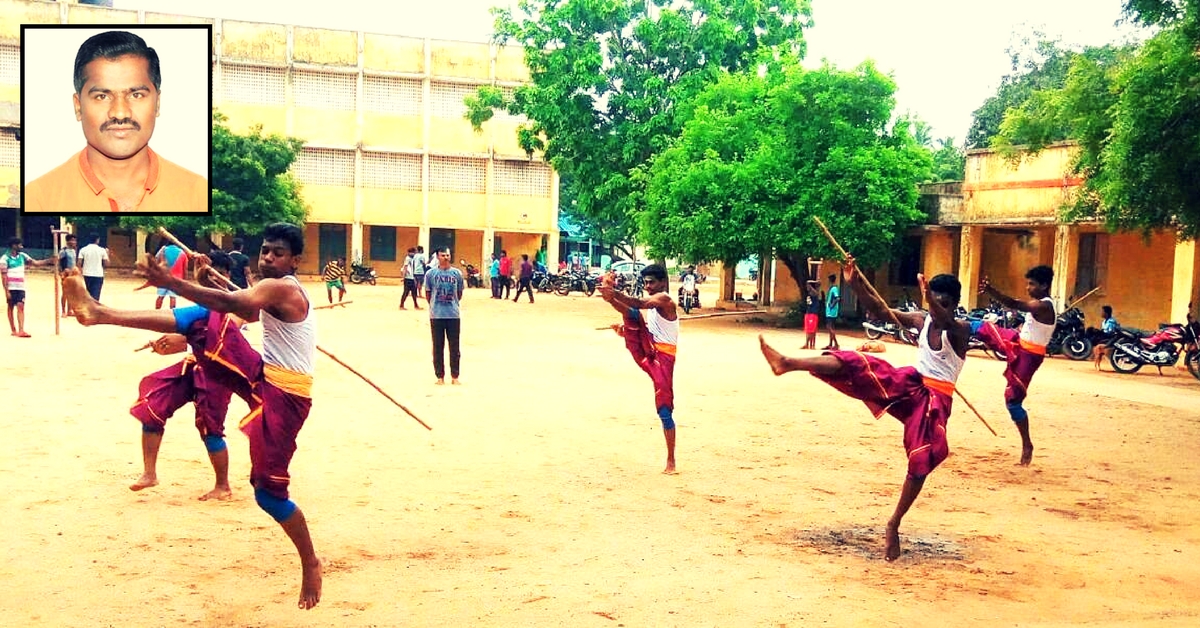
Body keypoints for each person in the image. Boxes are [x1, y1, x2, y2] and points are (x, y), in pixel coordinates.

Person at [62, 222, 322, 609]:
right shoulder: (270, 289)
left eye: (277, 253)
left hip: (286, 395)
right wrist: (208, 284)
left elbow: (238, 306)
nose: (268, 257)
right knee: (204, 320)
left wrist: (176, 282)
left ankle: (311, 561)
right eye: (265, 250)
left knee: (269, 495)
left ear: (295, 261)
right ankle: (98, 312)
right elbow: (239, 312)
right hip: (263, 377)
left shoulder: (281, 288)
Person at [758, 259, 969, 561]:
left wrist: (929, 300)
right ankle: (788, 363)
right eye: (934, 298)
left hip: (934, 399)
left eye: (943, 301)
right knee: (856, 363)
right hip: (910, 382)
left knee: (922, 459)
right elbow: (881, 310)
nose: (937, 305)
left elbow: (945, 321)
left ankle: (893, 523)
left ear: (955, 303)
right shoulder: (921, 320)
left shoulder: (959, 329)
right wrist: (853, 281)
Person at [24, 30, 208, 212]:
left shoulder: (197, 194)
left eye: (136, 95)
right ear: (78, 106)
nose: (120, 113)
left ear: (157, 103)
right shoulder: (39, 197)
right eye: (102, 96)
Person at [129, 250, 241, 500]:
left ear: (226, 276)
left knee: (210, 428)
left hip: (220, 372)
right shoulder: (201, 303)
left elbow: (222, 333)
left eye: (217, 274)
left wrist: (180, 340)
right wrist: (168, 344)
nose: (211, 278)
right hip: (193, 365)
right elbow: (190, 335)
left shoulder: (237, 303)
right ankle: (149, 473)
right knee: (154, 403)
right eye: (205, 272)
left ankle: (222, 485)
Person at [597, 264, 680, 474]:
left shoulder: (664, 300)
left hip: (663, 358)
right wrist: (626, 332)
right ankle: (670, 460)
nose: (648, 286)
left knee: (664, 408)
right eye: (645, 282)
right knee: (632, 317)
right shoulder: (655, 306)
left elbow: (639, 303)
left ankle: (671, 460)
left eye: (651, 282)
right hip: (649, 351)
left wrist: (613, 295)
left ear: (662, 282)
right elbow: (647, 331)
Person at [977, 264, 1056, 466]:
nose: (1028, 288)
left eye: (1032, 284)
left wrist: (991, 290)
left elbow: (1014, 303)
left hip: (1029, 356)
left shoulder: (1044, 306)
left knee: (1013, 401)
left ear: (1044, 285)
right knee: (984, 328)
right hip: (1019, 343)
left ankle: (1027, 444)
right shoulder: (1040, 304)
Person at [424, 248, 464, 385]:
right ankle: (440, 376)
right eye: (443, 255)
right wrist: (434, 306)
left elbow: (459, 293)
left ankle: (455, 376)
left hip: (453, 315)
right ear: (437, 257)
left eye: (448, 255)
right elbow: (428, 293)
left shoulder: (457, 273)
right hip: (436, 315)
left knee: (454, 346)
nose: (446, 257)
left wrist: (453, 304)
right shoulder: (430, 274)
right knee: (437, 346)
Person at [2, 237, 56, 337]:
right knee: (10, 307)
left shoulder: (23, 256)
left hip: (21, 287)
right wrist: (6, 291)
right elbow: (4, 276)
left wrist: (49, 260)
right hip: (11, 287)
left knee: (20, 307)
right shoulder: (5, 259)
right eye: (19, 245)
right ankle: (13, 329)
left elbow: (36, 263)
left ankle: (21, 330)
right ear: (14, 246)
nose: (21, 247)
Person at [154, 240, 188, 309]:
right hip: (176, 278)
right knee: (173, 297)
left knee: (160, 296)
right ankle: (172, 312)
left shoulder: (162, 250)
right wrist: (184, 280)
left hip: (163, 277)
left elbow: (156, 260)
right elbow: (185, 268)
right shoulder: (182, 253)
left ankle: (156, 311)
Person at [78, 233, 109, 301]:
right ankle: (94, 308)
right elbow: (107, 264)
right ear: (97, 240)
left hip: (87, 273)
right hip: (98, 274)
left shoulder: (83, 249)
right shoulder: (102, 250)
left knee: (88, 293)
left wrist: (80, 271)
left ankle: (88, 308)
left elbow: (79, 263)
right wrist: (107, 254)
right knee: (96, 294)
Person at [59, 233, 79, 317]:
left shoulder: (74, 251)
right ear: (68, 241)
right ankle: (63, 311)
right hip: (66, 274)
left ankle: (70, 310)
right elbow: (59, 262)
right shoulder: (63, 251)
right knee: (65, 293)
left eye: (75, 240)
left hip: (73, 274)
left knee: (72, 293)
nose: (74, 242)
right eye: (72, 240)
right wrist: (61, 272)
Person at [823, 273, 841, 350]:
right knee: (831, 327)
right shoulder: (832, 288)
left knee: (829, 327)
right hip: (829, 310)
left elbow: (837, 298)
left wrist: (831, 306)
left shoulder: (834, 289)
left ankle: (836, 344)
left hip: (831, 311)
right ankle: (830, 344)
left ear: (830, 280)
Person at [803, 281, 821, 350]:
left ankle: (812, 345)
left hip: (813, 313)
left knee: (812, 330)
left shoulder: (814, 293)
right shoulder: (809, 294)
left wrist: (811, 284)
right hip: (808, 312)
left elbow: (817, 286)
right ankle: (807, 344)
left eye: (808, 286)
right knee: (808, 329)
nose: (807, 287)